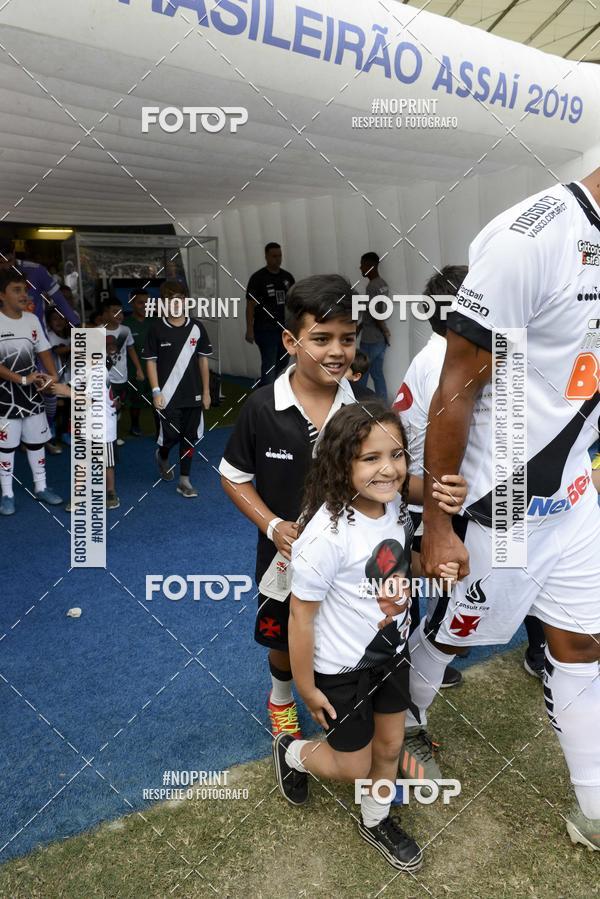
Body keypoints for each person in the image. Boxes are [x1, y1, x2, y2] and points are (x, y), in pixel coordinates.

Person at [405, 171, 600, 850]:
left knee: (582, 641)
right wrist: (435, 524)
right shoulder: (536, 235)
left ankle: (594, 806)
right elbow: (456, 384)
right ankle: (406, 717)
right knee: (461, 626)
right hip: (503, 496)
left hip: (575, 492)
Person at [273, 401, 460, 871]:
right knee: (353, 765)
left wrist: (434, 566)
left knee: (391, 748)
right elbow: (300, 618)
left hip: (390, 654)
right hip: (339, 670)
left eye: (396, 455)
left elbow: (403, 565)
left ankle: (375, 819)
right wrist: (306, 686)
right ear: (341, 462)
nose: (388, 469)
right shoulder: (324, 536)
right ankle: (292, 753)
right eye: (371, 458)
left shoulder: (395, 506)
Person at [220, 275, 358, 738]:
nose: (336, 351)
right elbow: (233, 476)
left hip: (348, 556)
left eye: (347, 338)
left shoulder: (365, 413)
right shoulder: (261, 407)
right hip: (283, 556)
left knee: (341, 625)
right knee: (281, 632)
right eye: (321, 339)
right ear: (289, 340)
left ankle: (344, 693)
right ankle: (281, 700)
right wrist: (273, 524)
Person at [0, 270, 62, 515]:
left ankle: (41, 487)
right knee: (6, 448)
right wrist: (23, 379)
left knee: (37, 443)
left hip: (32, 394)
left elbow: (44, 350)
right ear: (1, 296)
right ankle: (6, 494)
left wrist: (53, 377)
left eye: (25, 290)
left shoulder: (32, 319)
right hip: (4, 398)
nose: (24, 295)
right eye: (17, 290)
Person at [143, 281, 212, 498]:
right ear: (163, 302)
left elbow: (203, 361)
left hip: (193, 394)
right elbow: (151, 362)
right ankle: (162, 455)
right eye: (170, 298)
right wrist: (155, 391)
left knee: (190, 438)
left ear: (185, 300)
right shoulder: (156, 329)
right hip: (166, 396)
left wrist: (207, 392)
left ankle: (185, 480)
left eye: (180, 298)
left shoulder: (197, 327)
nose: (176, 303)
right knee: (170, 437)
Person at [0, 238, 79, 336]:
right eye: (0, 263)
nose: (5, 266)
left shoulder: (36, 271)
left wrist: (76, 324)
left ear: (14, 253)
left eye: (9, 261)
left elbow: (59, 300)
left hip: (37, 337)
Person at [245, 243, 295, 386]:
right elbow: (250, 306)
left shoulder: (287, 277)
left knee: (283, 360)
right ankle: (269, 399)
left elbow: (293, 303)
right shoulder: (258, 278)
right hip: (265, 328)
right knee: (269, 363)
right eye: (274, 256)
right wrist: (249, 329)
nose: (277, 259)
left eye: (279, 256)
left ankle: (262, 385)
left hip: (284, 328)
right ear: (266, 257)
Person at [102, 298, 144, 444]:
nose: (119, 315)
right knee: (108, 407)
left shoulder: (126, 330)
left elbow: (131, 350)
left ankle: (114, 432)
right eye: (114, 311)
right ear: (106, 314)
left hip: (123, 378)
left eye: (120, 311)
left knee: (118, 407)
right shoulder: (97, 331)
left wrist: (139, 369)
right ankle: (109, 436)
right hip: (105, 379)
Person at [359, 252, 391, 401]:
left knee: (362, 372)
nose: (360, 268)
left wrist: (384, 330)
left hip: (371, 338)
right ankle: (383, 405)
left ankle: (361, 404)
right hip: (380, 339)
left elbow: (374, 312)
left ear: (370, 266)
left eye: (363, 265)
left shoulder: (371, 287)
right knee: (377, 373)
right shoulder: (383, 284)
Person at [125, 289, 153, 436]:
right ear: (132, 303)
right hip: (134, 369)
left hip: (154, 368)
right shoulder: (125, 323)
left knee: (157, 398)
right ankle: (135, 425)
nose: (144, 305)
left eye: (147, 302)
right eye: (140, 302)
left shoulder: (155, 321)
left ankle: (160, 428)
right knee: (135, 400)